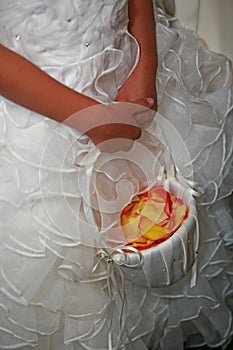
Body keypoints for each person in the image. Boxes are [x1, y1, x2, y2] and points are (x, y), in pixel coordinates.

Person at [0, 1, 232, 349]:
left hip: (129, 67)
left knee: (169, 241)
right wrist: (90, 118)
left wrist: (145, 64)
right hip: (36, 111)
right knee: (74, 282)